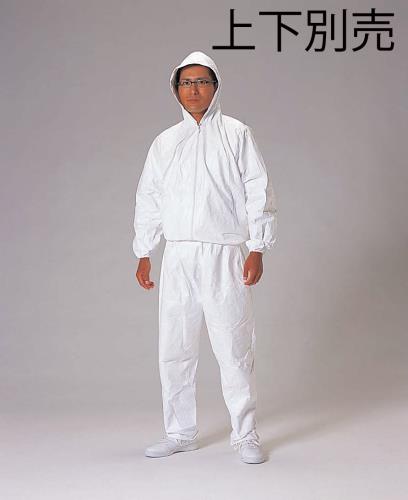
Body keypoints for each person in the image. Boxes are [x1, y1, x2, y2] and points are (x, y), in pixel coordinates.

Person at [132, 50, 277, 464]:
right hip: (178, 255)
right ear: (175, 88)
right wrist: (144, 250)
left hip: (224, 254)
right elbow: (149, 196)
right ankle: (179, 432)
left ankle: (245, 435)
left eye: (201, 82)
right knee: (174, 348)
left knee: (234, 346)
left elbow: (258, 189)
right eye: (186, 82)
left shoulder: (236, 133)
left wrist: (257, 246)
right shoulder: (165, 142)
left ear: (215, 87)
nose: (193, 90)